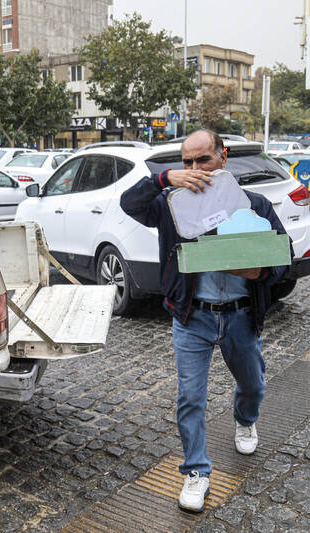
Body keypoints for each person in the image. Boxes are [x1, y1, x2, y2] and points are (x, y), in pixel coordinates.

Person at [119, 130, 292, 513]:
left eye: (204, 161)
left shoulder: (255, 204)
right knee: (190, 398)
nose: (194, 170)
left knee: (253, 385)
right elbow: (129, 203)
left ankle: (245, 419)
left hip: (240, 318)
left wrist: (259, 273)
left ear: (223, 157)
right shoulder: (170, 204)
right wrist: (164, 179)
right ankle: (196, 471)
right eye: (187, 163)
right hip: (191, 317)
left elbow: (284, 256)